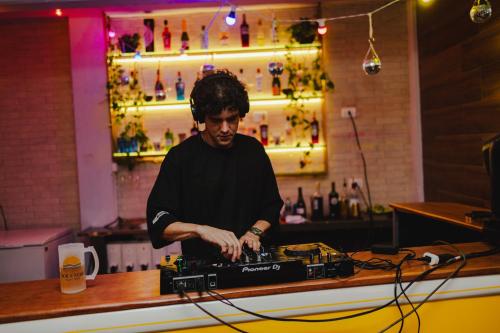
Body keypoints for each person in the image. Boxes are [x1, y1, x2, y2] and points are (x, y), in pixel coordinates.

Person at [147, 69, 283, 262]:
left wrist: (254, 232)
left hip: (254, 265)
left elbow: (271, 206)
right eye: (216, 121)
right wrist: (201, 230)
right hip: (203, 272)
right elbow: (159, 223)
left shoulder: (253, 151)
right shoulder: (180, 158)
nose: (226, 129)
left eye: (232, 119)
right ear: (201, 117)